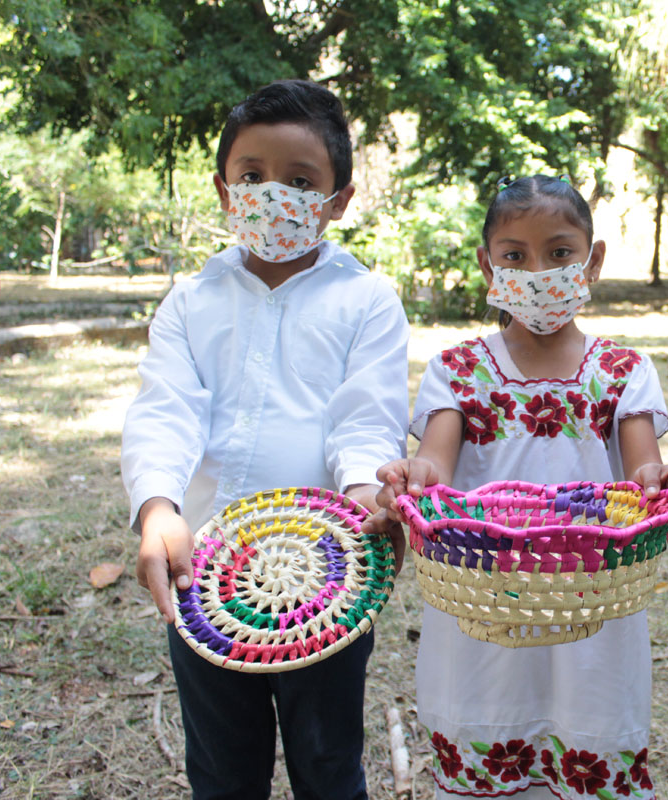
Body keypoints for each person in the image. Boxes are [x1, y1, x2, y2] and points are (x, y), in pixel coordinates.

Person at [121, 79, 409, 800]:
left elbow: (365, 417)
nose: (272, 194)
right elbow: (167, 409)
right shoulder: (192, 302)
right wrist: (158, 507)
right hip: (206, 573)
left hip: (329, 573)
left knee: (328, 764)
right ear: (225, 190)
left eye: (299, 180)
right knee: (221, 769)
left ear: (338, 199)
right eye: (252, 176)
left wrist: (367, 496)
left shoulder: (366, 301)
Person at [364, 175, 668, 800]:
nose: (538, 271)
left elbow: (643, 472)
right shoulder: (457, 371)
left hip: (592, 602)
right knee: (488, 725)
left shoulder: (623, 370)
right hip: (482, 605)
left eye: (560, 252)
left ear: (593, 260)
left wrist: (660, 479)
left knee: (589, 737)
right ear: (487, 264)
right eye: (515, 255)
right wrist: (413, 479)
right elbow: (435, 467)